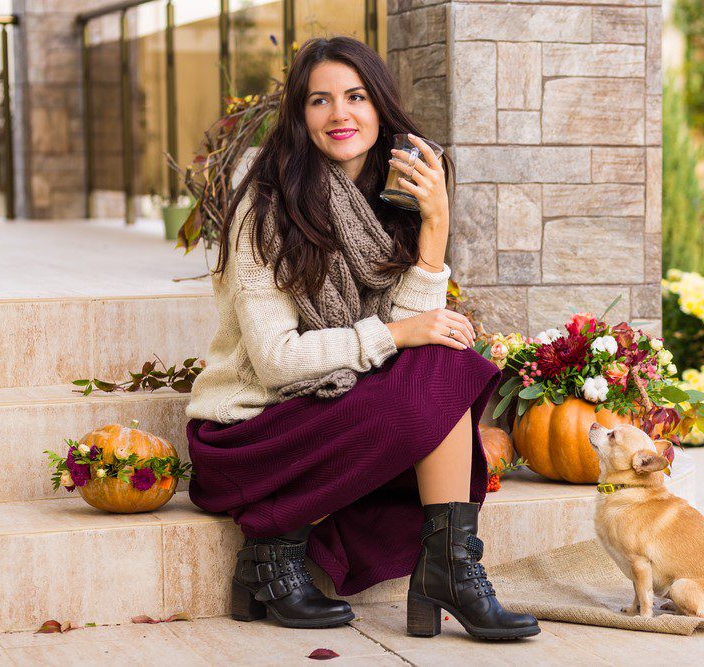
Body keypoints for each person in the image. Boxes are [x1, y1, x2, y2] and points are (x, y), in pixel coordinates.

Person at [184, 36, 540, 641]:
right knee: (439, 367)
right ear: (299, 118)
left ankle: (450, 568)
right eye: (319, 101)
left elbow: (414, 336)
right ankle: (276, 545)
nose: (340, 114)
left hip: (332, 418)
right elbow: (277, 363)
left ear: (380, 107)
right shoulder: (266, 207)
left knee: (444, 363)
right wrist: (398, 333)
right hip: (249, 439)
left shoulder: (392, 201)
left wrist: (434, 230)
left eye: (356, 96)